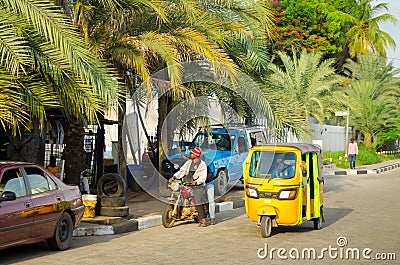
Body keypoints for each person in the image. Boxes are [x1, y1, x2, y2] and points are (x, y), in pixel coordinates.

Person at [169, 147, 208, 227]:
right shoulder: (188, 162)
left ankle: (203, 220)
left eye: (192, 153)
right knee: (178, 192)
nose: (190, 154)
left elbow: (203, 177)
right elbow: (182, 171)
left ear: (196, 155)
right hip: (186, 183)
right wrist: (174, 177)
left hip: (198, 186)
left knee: (197, 201)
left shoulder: (202, 164)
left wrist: (196, 182)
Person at [177, 146, 216, 225]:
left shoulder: (207, 162)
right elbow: (186, 160)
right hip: (196, 182)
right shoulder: (192, 161)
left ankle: (212, 218)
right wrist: (181, 152)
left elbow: (210, 174)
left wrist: (200, 181)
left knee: (211, 199)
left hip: (208, 183)